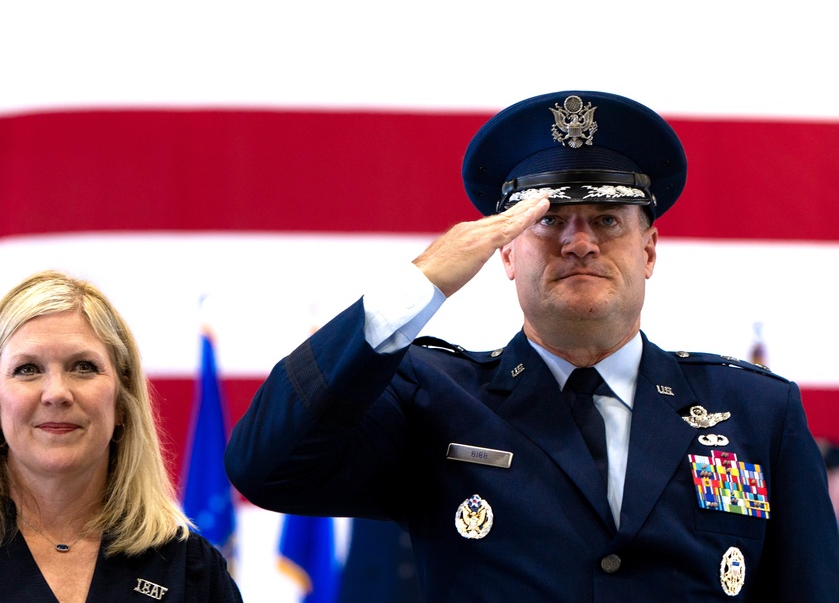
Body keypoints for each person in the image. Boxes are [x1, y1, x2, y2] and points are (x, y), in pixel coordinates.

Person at [224, 91, 839, 601]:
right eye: (549, 220)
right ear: (505, 254)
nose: (579, 243)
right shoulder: (433, 399)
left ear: (649, 250)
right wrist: (420, 282)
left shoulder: (757, 412)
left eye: (606, 221)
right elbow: (265, 466)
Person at [0, 271, 242, 603]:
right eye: (28, 369)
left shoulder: (191, 570)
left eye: (83, 367)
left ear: (122, 403)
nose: (57, 393)